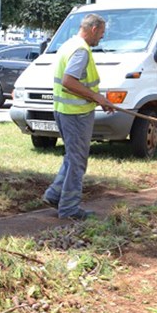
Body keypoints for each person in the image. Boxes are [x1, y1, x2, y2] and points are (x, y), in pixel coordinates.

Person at [42, 13, 114, 220]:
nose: (101, 37)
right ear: (93, 29)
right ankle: (69, 208)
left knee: (72, 158)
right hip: (76, 115)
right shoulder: (81, 51)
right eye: (101, 33)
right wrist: (97, 97)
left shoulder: (69, 44)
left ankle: (55, 195)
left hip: (65, 112)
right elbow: (69, 81)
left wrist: (98, 99)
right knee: (77, 163)